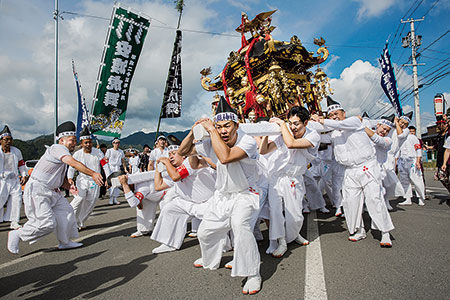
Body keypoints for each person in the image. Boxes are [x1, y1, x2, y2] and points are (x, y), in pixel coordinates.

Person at [178, 96, 262, 295]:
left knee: (240, 226)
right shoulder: (212, 140)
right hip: (222, 195)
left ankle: (253, 273)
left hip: (245, 194)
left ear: (237, 125)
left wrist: (212, 130)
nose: (223, 131)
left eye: (227, 126)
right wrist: (192, 132)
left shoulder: (247, 141)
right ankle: (210, 259)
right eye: (219, 126)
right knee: (205, 233)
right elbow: (182, 152)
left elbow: (225, 157)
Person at [7, 121, 103, 254]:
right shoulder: (57, 148)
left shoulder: (63, 154)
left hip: (53, 192)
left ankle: (65, 242)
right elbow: (73, 163)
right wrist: (93, 173)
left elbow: (59, 177)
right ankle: (17, 234)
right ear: (62, 140)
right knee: (47, 223)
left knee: (67, 212)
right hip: (38, 190)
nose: (74, 143)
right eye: (71, 140)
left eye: (75, 140)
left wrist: (69, 187)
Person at [311, 97, 394, 247]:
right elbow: (319, 132)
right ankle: (358, 230)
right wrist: (305, 123)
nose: (334, 117)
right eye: (331, 115)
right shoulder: (334, 134)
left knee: (374, 199)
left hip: (367, 167)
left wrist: (321, 120)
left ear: (344, 113)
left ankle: (385, 232)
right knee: (350, 202)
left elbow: (339, 124)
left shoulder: (354, 122)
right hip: (349, 171)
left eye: (337, 113)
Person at [259, 106, 319, 257]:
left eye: (296, 123)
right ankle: (282, 242)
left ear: (305, 123)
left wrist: (282, 124)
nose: (293, 127)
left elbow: (291, 143)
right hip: (276, 178)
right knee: (276, 212)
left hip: (294, 179)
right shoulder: (283, 134)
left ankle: (294, 234)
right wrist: (266, 134)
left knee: (296, 214)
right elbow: (264, 150)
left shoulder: (313, 136)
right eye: (290, 123)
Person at [151, 139, 216, 254]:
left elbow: (176, 177)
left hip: (209, 203)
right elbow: (158, 186)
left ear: (184, 156)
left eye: (174, 154)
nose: (170, 157)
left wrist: (165, 162)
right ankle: (169, 243)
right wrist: (158, 168)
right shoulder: (173, 170)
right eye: (169, 154)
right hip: (190, 203)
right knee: (169, 208)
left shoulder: (190, 163)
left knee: (218, 235)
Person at [67, 127, 104, 230]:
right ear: (82, 143)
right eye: (86, 143)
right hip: (82, 180)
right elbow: (71, 167)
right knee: (79, 199)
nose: (88, 145)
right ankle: (69, 221)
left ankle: (80, 222)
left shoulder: (98, 152)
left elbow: (105, 164)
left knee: (90, 202)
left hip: (95, 182)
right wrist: (70, 178)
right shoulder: (77, 154)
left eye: (90, 142)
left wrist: (108, 177)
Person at [0, 125, 28, 229]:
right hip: (2, 181)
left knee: (17, 200)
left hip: (14, 180)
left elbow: (21, 164)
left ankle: (14, 221)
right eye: (6, 139)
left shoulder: (16, 151)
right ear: (1, 140)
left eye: (10, 139)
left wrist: (24, 175)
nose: (8, 142)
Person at [397, 115, 426, 206]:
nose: (401, 125)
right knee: (404, 180)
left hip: (412, 160)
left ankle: (421, 198)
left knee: (417, 180)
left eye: (404, 123)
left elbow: (418, 149)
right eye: (400, 123)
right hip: (402, 161)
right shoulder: (398, 137)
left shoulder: (412, 137)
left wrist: (418, 161)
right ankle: (407, 198)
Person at [105, 138, 127, 205]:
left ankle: (115, 199)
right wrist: (106, 169)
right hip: (110, 168)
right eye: (116, 143)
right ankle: (111, 199)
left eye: (118, 143)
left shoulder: (121, 151)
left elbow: (123, 161)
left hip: (117, 168)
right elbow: (105, 159)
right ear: (113, 143)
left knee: (117, 184)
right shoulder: (109, 151)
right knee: (111, 184)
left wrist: (125, 168)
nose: (117, 144)